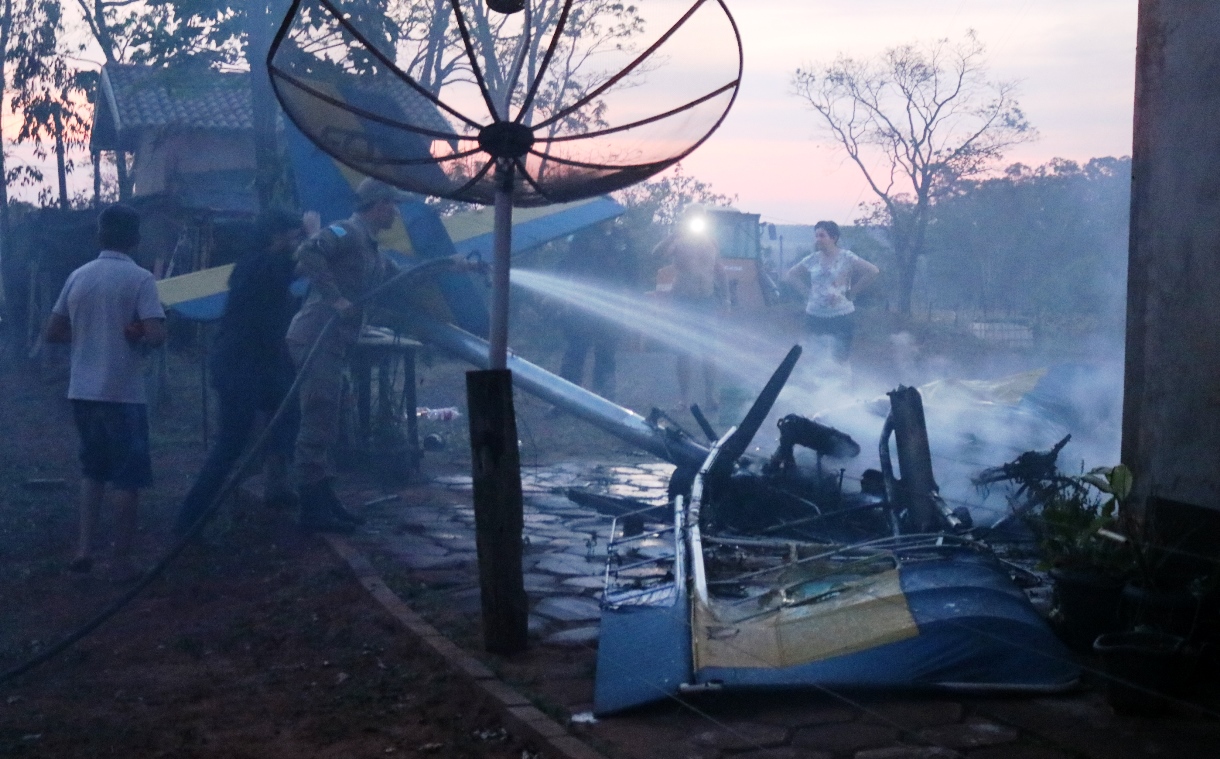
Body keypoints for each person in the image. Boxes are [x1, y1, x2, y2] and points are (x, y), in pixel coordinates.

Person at [44, 204, 167, 582]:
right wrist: (134, 334)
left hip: (82, 391)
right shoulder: (141, 279)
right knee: (127, 478)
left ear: (99, 235)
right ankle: (120, 561)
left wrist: (88, 335)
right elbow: (156, 335)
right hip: (123, 393)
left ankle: (83, 550)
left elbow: (53, 332)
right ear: (136, 239)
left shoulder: (78, 276)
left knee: (92, 471)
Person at [171, 210, 310, 539]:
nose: (298, 243)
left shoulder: (262, 264)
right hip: (239, 367)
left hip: (263, 364)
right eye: (294, 237)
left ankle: (276, 483)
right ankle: (189, 521)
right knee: (231, 445)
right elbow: (303, 265)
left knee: (288, 411)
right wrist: (315, 237)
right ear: (276, 236)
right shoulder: (261, 265)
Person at [286, 178, 410, 532]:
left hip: (334, 342)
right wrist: (336, 298)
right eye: (393, 205)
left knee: (329, 421)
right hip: (315, 335)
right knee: (318, 418)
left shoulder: (373, 251)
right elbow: (308, 253)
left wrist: (452, 265)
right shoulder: (346, 231)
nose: (396, 213)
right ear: (379, 204)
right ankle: (312, 509)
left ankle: (324, 498)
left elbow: (404, 278)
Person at [653, 208, 728, 411]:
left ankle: (710, 397)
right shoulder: (679, 241)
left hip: (707, 301)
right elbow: (656, 254)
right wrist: (672, 236)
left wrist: (727, 299)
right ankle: (684, 399)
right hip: (684, 301)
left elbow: (720, 270)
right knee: (684, 352)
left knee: (709, 352)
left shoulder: (711, 241)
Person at [556, 220, 634, 401]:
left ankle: (604, 398)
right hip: (583, 301)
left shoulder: (622, 237)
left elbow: (631, 270)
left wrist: (632, 298)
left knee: (606, 351)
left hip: (610, 302)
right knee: (576, 349)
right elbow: (567, 264)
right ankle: (565, 397)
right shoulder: (582, 235)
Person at [784, 220, 879, 364]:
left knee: (840, 358)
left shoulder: (846, 257)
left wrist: (853, 292)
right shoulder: (812, 259)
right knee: (816, 357)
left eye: (822, 236)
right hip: (815, 316)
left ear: (833, 238)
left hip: (841, 316)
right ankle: (817, 379)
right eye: (816, 236)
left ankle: (841, 378)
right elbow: (791, 275)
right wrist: (807, 293)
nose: (818, 239)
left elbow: (872, 271)